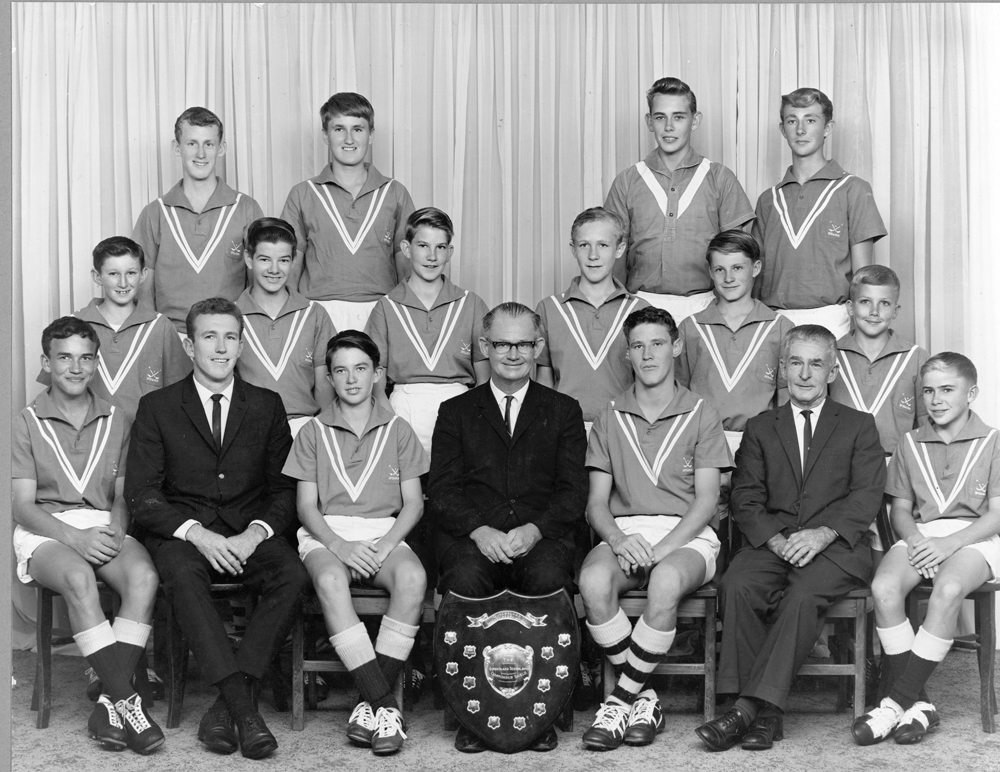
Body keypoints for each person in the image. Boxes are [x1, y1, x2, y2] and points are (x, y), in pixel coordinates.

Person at [125, 298, 310, 760]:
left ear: (242, 344)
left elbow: (284, 491)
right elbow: (143, 494)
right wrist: (197, 534)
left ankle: (228, 706)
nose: (221, 347)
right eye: (209, 336)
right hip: (185, 536)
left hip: (249, 533)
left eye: (230, 337)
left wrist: (254, 534)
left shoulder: (267, 405)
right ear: (189, 345)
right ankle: (244, 711)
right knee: (183, 577)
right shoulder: (158, 406)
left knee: (293, 575)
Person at [695, 325, 886, 752]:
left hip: (837, 547)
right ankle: (766, 714)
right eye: (795, 362)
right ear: (782, 369)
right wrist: (777, 540)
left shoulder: (858, 425)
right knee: (738, 583)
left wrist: (823, 533)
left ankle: (749, 709)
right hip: (774, 543)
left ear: (832, 370)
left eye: (815, 363)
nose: (804, 373)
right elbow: (745, 497)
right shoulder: (762, 427)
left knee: (802, 595)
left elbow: (867, 494)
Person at [428, 301, 588, 753]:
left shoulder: (564, 410)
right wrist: (480, 532)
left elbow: (573, 491)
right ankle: (469, 711)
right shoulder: (455, 411)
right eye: (502, 343)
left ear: (538, 346)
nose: (513, 353)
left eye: (523, 343)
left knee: (547, 578)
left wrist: (536, 531)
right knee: (463, 580)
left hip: (541, 537)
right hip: (474, 538)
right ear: (485, 346)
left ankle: (546, 711)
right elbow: (442, 490)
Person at [578, 307, 732, 751]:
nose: (648, 355)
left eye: (658, 343)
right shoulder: (609, 415)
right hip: (625, 532)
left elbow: (706, 501)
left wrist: (662, 549)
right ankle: (645, 698)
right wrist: (620, 540)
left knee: (664, 581)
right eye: (638, 346)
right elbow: (595, 504)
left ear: (677, 346)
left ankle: (619, 700)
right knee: (592, 580)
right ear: (627, 354)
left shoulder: (702, 411)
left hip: (686, 536)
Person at [13, 317, 164, 754]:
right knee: (79, 579)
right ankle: (127, 699)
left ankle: (106, 704)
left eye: (85, 358)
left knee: (145, 578)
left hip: (100, 523)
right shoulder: (27, 420)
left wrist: (116, 528)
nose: (75, 368)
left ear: (96, 362)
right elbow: (22, 506)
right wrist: (75, 539)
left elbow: (121, 494)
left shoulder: (119, 417)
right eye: (64, 358)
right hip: (48, 531)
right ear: (47, 362)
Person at [283, 331, 428, 755]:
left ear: (378, 374)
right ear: (328, 377)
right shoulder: (311, 431)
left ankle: (368, 704)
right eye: (341, 370)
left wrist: (384, 547)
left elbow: (414, 505)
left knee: (414, 577)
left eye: (361, 368)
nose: (351, 379)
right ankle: (386, 705)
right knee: (329, 580)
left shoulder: (399, 429)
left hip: (383, 533)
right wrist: (340, 547)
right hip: (328, 535)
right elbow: (307, 508)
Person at [853, 353, 1000, 746]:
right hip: (924, 534)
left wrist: (948, 544)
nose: (936, 399)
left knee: (949, 589)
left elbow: (997, 515)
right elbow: (900, 509)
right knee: (883, 588)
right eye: (929, 391)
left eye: (947, 390)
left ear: (971, 393)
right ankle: (920, 705)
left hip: (975, 537)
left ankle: (896, 701)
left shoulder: (994, 440)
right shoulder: (909, 442)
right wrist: (917, 540)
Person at [675, 229, 793, 548]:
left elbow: (786, 405)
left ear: (755, 268)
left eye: (737, 268)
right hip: (705, 445)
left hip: (759, 445)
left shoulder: (780, 328)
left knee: (754, 532)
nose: (728, 278)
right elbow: (680, 397)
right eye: (719, 269)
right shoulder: (690, 328)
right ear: (710, 272)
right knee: (708, 530)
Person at [604, 77, 754, 324]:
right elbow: (613, 253)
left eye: (679, 117)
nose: (669, 126)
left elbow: (739, 255)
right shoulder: (628, 180)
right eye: (660, 117)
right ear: (649, 122)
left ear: (695, 121)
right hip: (641, 306)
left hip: (705, 306)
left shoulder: (719, 177)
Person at [752, 88, 887, 338]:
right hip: (774, 321)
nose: (800, 130)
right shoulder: (768, 199)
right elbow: (756, 275)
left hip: (833, 321)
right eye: (792, 121)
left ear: (828, 128)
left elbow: (863, 278)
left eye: (811, 120)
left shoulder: (853, 189)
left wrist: (860, 336)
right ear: (783, 130)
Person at [281, 92, 416, 334]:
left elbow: (406, 265)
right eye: (339, 129)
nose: (349, 139)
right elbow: (291, 262)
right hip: (317, 310)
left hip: (380, 311)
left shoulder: (395, 193)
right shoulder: (303, 194)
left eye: (358, 129)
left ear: (371, 134)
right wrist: (293, 315)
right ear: (325, 135)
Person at [365, 207, 491, 456]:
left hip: (459, 406)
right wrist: (392, 425)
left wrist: (475, 423)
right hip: (405, 407)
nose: (432, 256)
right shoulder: (386, 307)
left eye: (440, 247)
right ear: (407, 248)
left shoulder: (471, 303)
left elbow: (485, 381)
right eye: (423, 246)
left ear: (450, 252)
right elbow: (376, 386)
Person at [132, 107, 264, 336]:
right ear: (177, 147)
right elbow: (144, 288)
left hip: (228, 337)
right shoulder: (155, 213)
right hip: (171, 335)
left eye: (209, 144)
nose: (201, 153)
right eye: (192, 143)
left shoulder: (246, 208)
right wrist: (152, 338)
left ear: (221, 148)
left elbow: (258, 286)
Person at [829, 264, 929, 554]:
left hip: (896, 472)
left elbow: (924, 426)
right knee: (849, 550)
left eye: (884, 303)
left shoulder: (915, 356)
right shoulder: (832, 353)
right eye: (865, 302)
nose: (874, 312)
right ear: (849, 307)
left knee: (894, 552)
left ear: (896, 310)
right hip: (842, 474)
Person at [37, 237, 191, 422]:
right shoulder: (72, 325)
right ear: (97, 276)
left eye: (131, 273)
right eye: (113, 274)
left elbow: (180, 393)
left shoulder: (161, 326)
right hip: (88, 440)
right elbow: (55, 394)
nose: (123, 283)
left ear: (143, 275)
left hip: (144, 441)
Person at [535, 207, 649, 433]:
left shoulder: (641, 310)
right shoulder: (549, 308)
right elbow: (543, 382)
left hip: (624, 429)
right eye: (584, 245)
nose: (593, 255)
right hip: (563, 430)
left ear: (620, 249)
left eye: (603, 245)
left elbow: (649, 383)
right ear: (573, 249)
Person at [235, 217, 336, 436]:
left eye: (282, 260)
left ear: (293, 262)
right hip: (248, 430)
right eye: (264, 259)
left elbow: (324, 386)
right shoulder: (230, 315)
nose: (274, 269)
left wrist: (324, 434)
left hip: (304, 428)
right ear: (249, 259)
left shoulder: (314, 314)